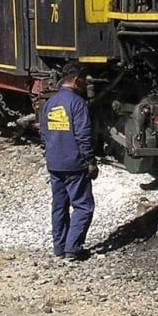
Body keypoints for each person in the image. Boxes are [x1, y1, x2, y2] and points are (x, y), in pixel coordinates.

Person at [39, 61, 96, 260]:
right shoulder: (77, 103)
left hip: (54, 163)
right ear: (76, 80)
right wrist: (90, 160)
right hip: (74, 163)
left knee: (59, 205)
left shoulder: (50, 103)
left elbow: (44, 133)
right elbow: (83, 135)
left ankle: (59, 248)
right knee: (83, 205)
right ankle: (73, 248)